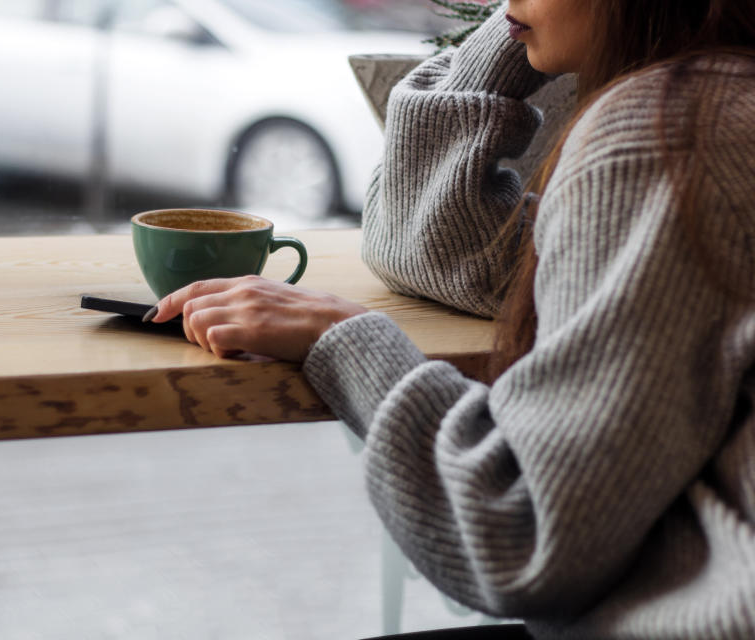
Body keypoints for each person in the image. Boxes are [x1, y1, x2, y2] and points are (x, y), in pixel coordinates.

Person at [149, 0, 755, 637]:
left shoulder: (672, 130)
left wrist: (343, 340)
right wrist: (523, 27)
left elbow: (518, 532)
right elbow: (438, 248)